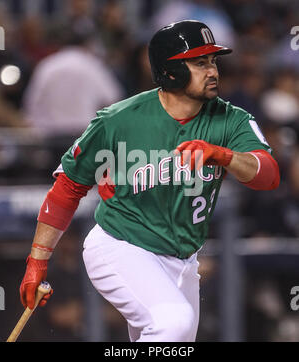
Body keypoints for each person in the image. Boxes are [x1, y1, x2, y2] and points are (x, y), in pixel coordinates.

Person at [19, 20, 280, 342]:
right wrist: (36, 263)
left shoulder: (232, 119)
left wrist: (224, 156)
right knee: (173, 323)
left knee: (172, 338)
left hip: (183, 258)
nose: (212, 71)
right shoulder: (119, 120)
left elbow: (268, 176)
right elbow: (67, 188)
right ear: (171, 71)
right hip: (120, 245)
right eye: (200, 63)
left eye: (213, 61)